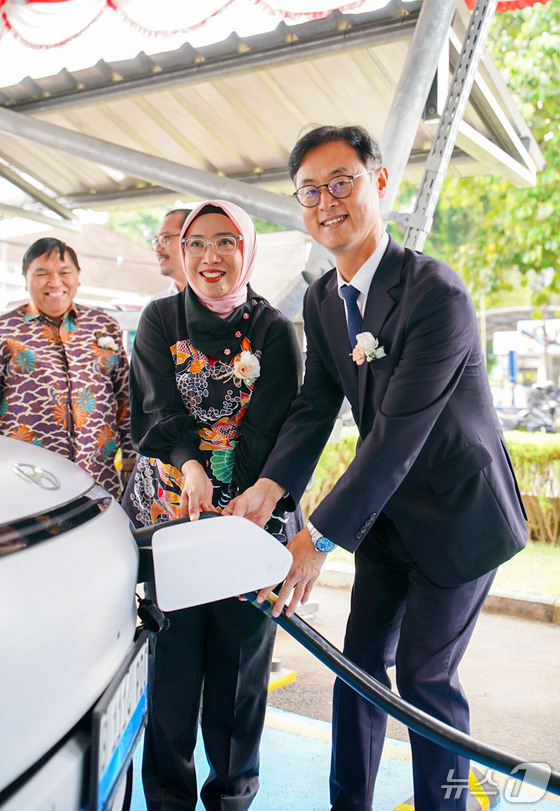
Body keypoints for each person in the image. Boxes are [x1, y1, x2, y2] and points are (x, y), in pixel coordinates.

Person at [225, 125, 528, 811]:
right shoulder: (321, 300)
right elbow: (314, 405)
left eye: (341, 182)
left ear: (379, 181)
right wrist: (270, 488)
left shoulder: (436, 294)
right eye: (309, 191)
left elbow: (395, 439)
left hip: (459, 515)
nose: (326, 201)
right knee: (357, 670)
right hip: (387, 518)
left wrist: (316, 540)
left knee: (425, 679)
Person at [122, 199, 302, 810]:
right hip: (173, 518)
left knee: (238, 681)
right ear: (182, 252)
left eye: (226, 241)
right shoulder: (160, 317)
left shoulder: (273, 330)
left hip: (248, 521)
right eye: (196, 243)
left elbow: (273, 428)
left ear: (246, 249)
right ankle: (167, 801)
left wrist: (234, 501)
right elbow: (155, 407)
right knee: (170, 675)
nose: (210, 255)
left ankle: (231, 798)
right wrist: (191, 465)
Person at [0, 237, 135, 499]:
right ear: (25, 279)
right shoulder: (5, 330)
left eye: (64, 273)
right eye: (42, 273)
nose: (55, 282)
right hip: (29, 481)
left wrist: (131, 461)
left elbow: (126, 398)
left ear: (77, 277)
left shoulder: (103, 325)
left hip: (99, 478)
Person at [149, 208, 191, 299]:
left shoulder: (219, 301)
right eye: (157, 240)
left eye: (165, 238)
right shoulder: (157, 304)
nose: (157, 248)